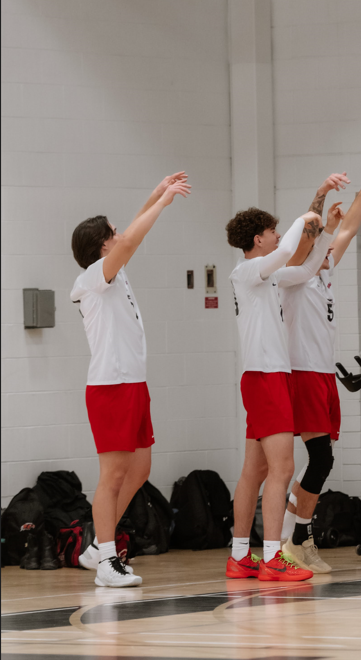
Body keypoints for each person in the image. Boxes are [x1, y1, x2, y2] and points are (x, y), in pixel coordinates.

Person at [71, 172, 191, 587]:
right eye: (113, 233)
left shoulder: (114, 271)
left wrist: (156, 193)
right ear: (103, 245)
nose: (121, 234)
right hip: (110, 387)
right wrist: (164, 203)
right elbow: (131, 239)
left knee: (140, 468)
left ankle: (94, 547)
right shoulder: (92, 278)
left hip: (133, 384)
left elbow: (129, 238)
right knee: (113, 475)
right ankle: (106, 561)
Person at [280, 154, 361, 573]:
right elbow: (313, 231)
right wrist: (322, 194)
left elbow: (351, 226)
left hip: (323, 374)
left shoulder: (324, 272)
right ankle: (297, 538)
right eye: (321, 245)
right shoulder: (296, 272)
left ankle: (294, 537)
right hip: (302, 372)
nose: (330, 248)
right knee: (320, 459)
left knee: (320, 460)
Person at [226, 203, 340, 582]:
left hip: (267, 376)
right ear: (259, 239)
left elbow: (307, 267)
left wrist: (320, 235)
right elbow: (287, 250)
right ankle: (274, 555)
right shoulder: (247, 270)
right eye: (272, 231)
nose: (278, 236)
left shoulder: (270, 276)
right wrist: (305, 220)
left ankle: (240, 554)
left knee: (254, 470)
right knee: (283, 468)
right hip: (265, 376)